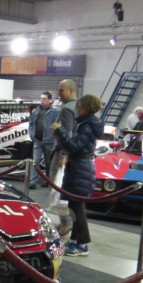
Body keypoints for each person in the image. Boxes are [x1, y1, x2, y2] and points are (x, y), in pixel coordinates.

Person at [50, 94, 104, 257]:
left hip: (80, 168)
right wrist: (60, 136)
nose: (77, 109)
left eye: (79, 106)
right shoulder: (86, 124)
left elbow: (74, 147)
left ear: (85, 107)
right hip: (79, 167)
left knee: (77, 207)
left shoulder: (86, 126)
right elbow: (73, 146)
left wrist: (59, 130)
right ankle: (74, 241)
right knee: (74, 206)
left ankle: (82, 244)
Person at [48, 79, 77, 237]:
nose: (59, 93)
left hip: (62, 152)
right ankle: (68, 222)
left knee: (56, 188)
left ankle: (66, 222)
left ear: (71, 91)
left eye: (61, 90)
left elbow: (67, 132)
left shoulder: (67, 109)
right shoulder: (78, 106)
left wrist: (64, 155)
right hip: (73, 153)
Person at [28, 91, 59, 189]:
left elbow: (57, 126)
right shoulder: (36, 111)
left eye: (44, 99)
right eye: (41, 98)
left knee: (48, 162)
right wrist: (32, 135)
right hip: (37, 140)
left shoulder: (55, 112)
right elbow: (31, 123)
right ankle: (33, 181)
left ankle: (48, 181)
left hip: (49, 141)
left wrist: (55, 138)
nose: (42, 101)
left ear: (50, 100)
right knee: (35, 161)